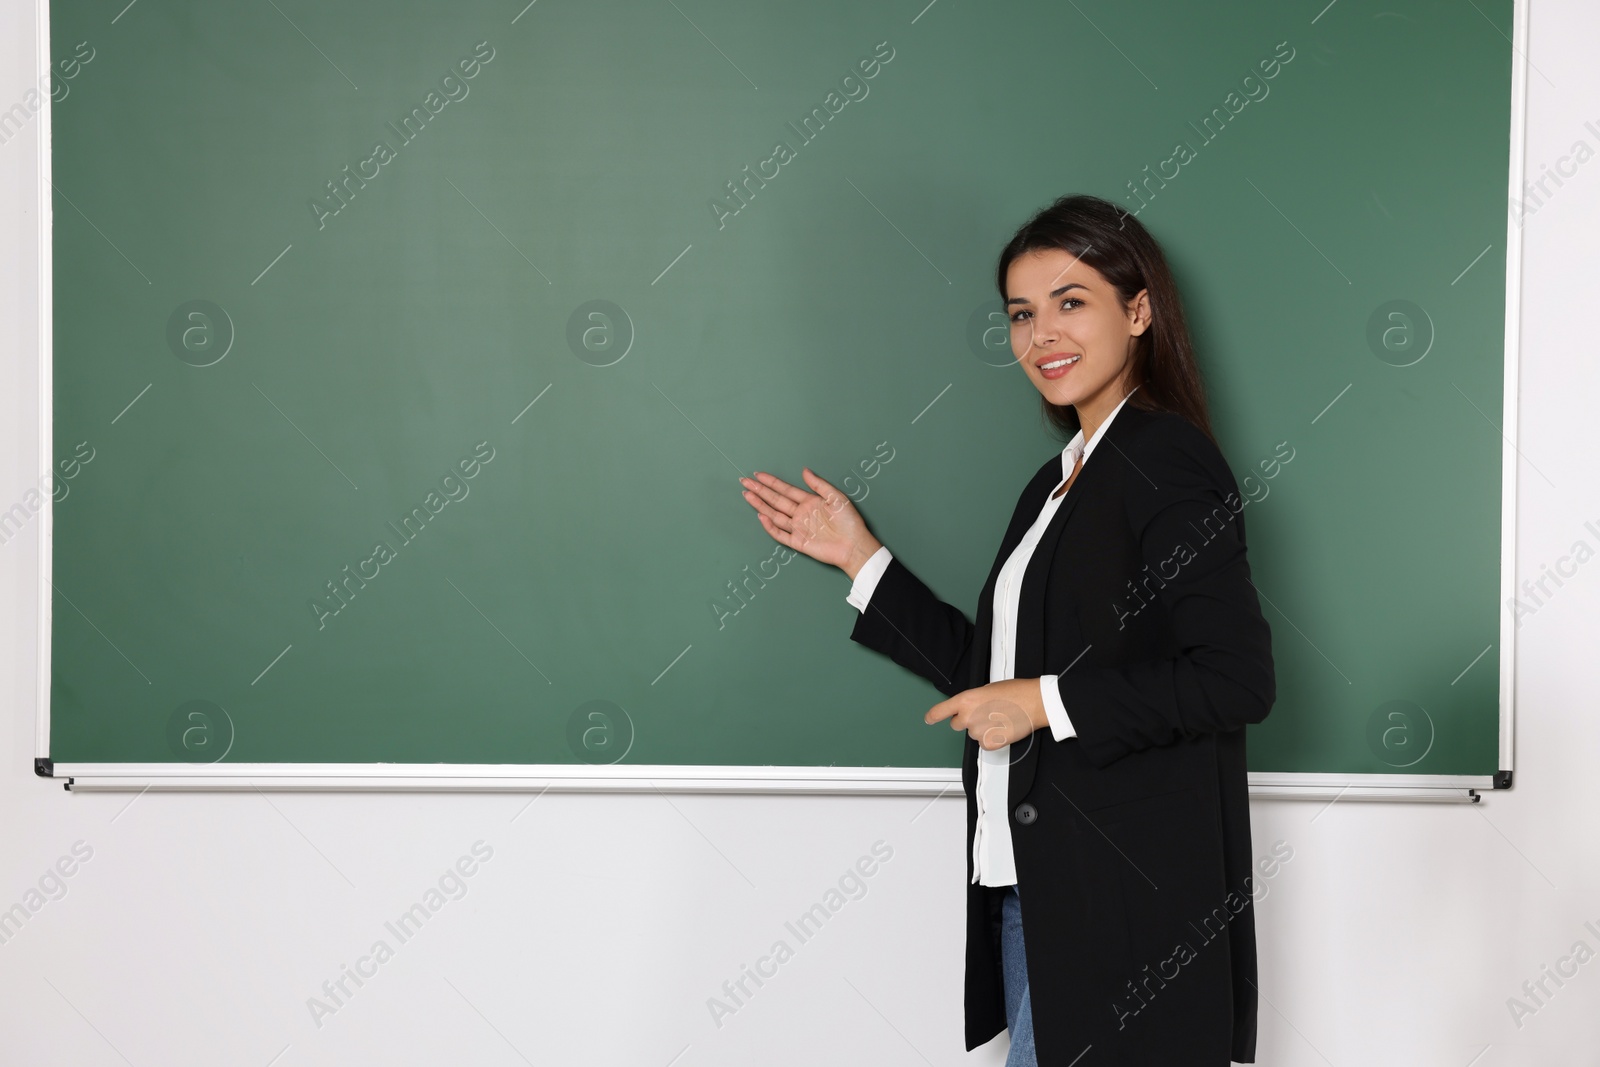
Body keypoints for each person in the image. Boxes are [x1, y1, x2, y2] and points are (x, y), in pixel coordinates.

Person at [738, 194, 1277, 1066]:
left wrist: (1047, 701)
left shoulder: (1164, 458)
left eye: (1071, 302)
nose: (1041, 336)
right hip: (1032, 893)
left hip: (1119, 908)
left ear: (1138, 311)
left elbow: (1235, 677)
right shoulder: (1055, 484)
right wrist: (862, 559)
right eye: (1022, 315)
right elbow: (990, 681)